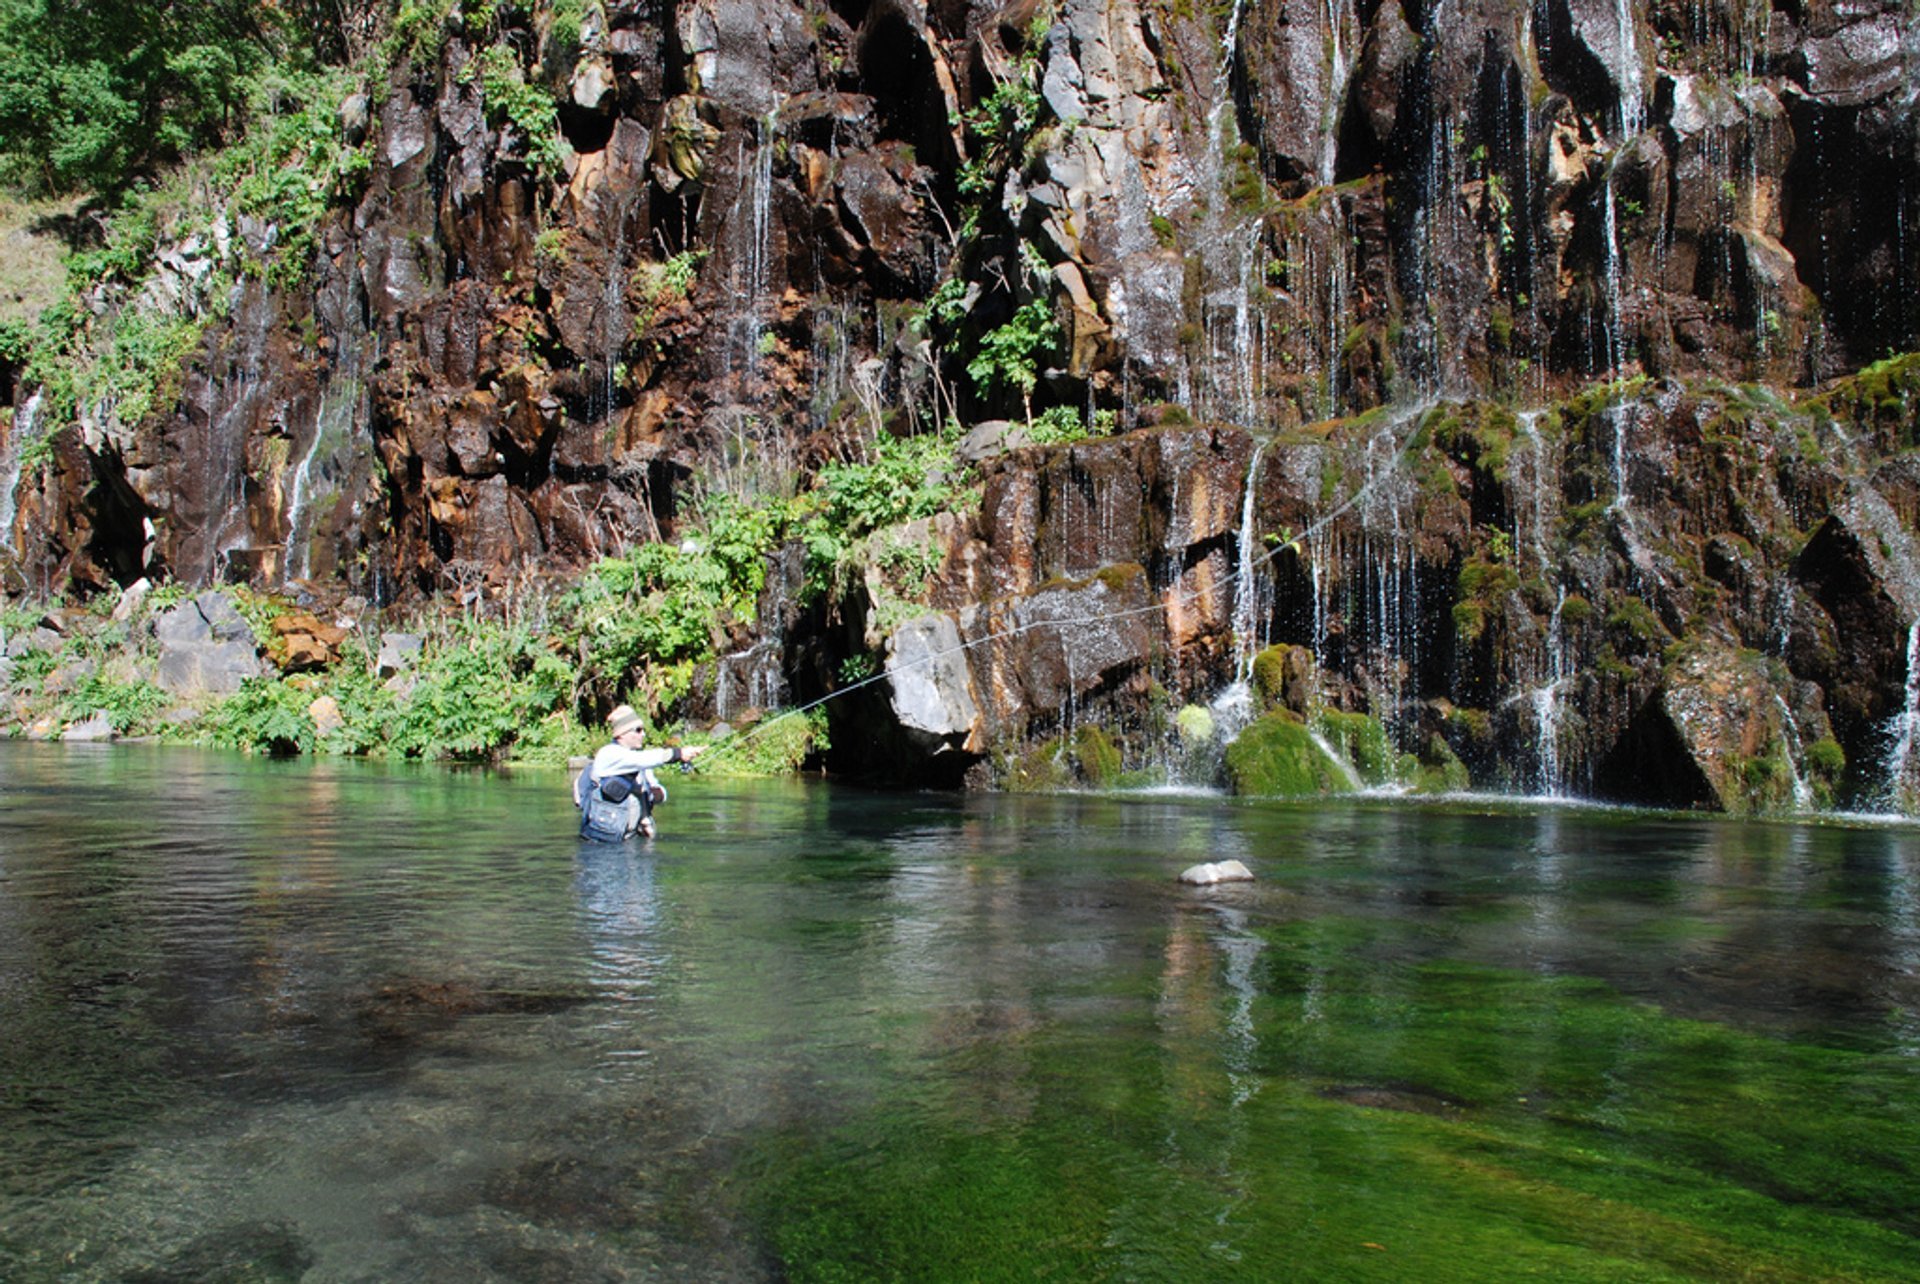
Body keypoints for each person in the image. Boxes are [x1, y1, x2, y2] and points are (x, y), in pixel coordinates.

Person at [574, 704, 705, 841]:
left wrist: (653, 795)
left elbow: (658, 790)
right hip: (598, 844)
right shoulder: (609, 754)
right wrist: (679, 753)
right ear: (621, 734)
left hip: (630, 841)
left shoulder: (640, 761)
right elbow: (641, 759)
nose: (643, 734)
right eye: (638, 730)